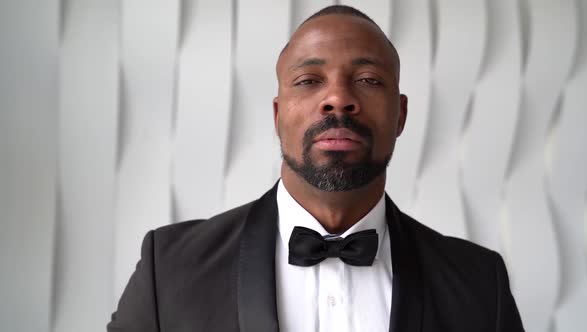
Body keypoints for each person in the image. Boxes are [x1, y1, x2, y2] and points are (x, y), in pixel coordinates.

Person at [107, 5, 524, 332]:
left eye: (368, 80)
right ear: (277, 115)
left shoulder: (481, 284)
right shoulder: (170, 269)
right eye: (309, 81)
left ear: (400, 115)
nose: (338, 99)